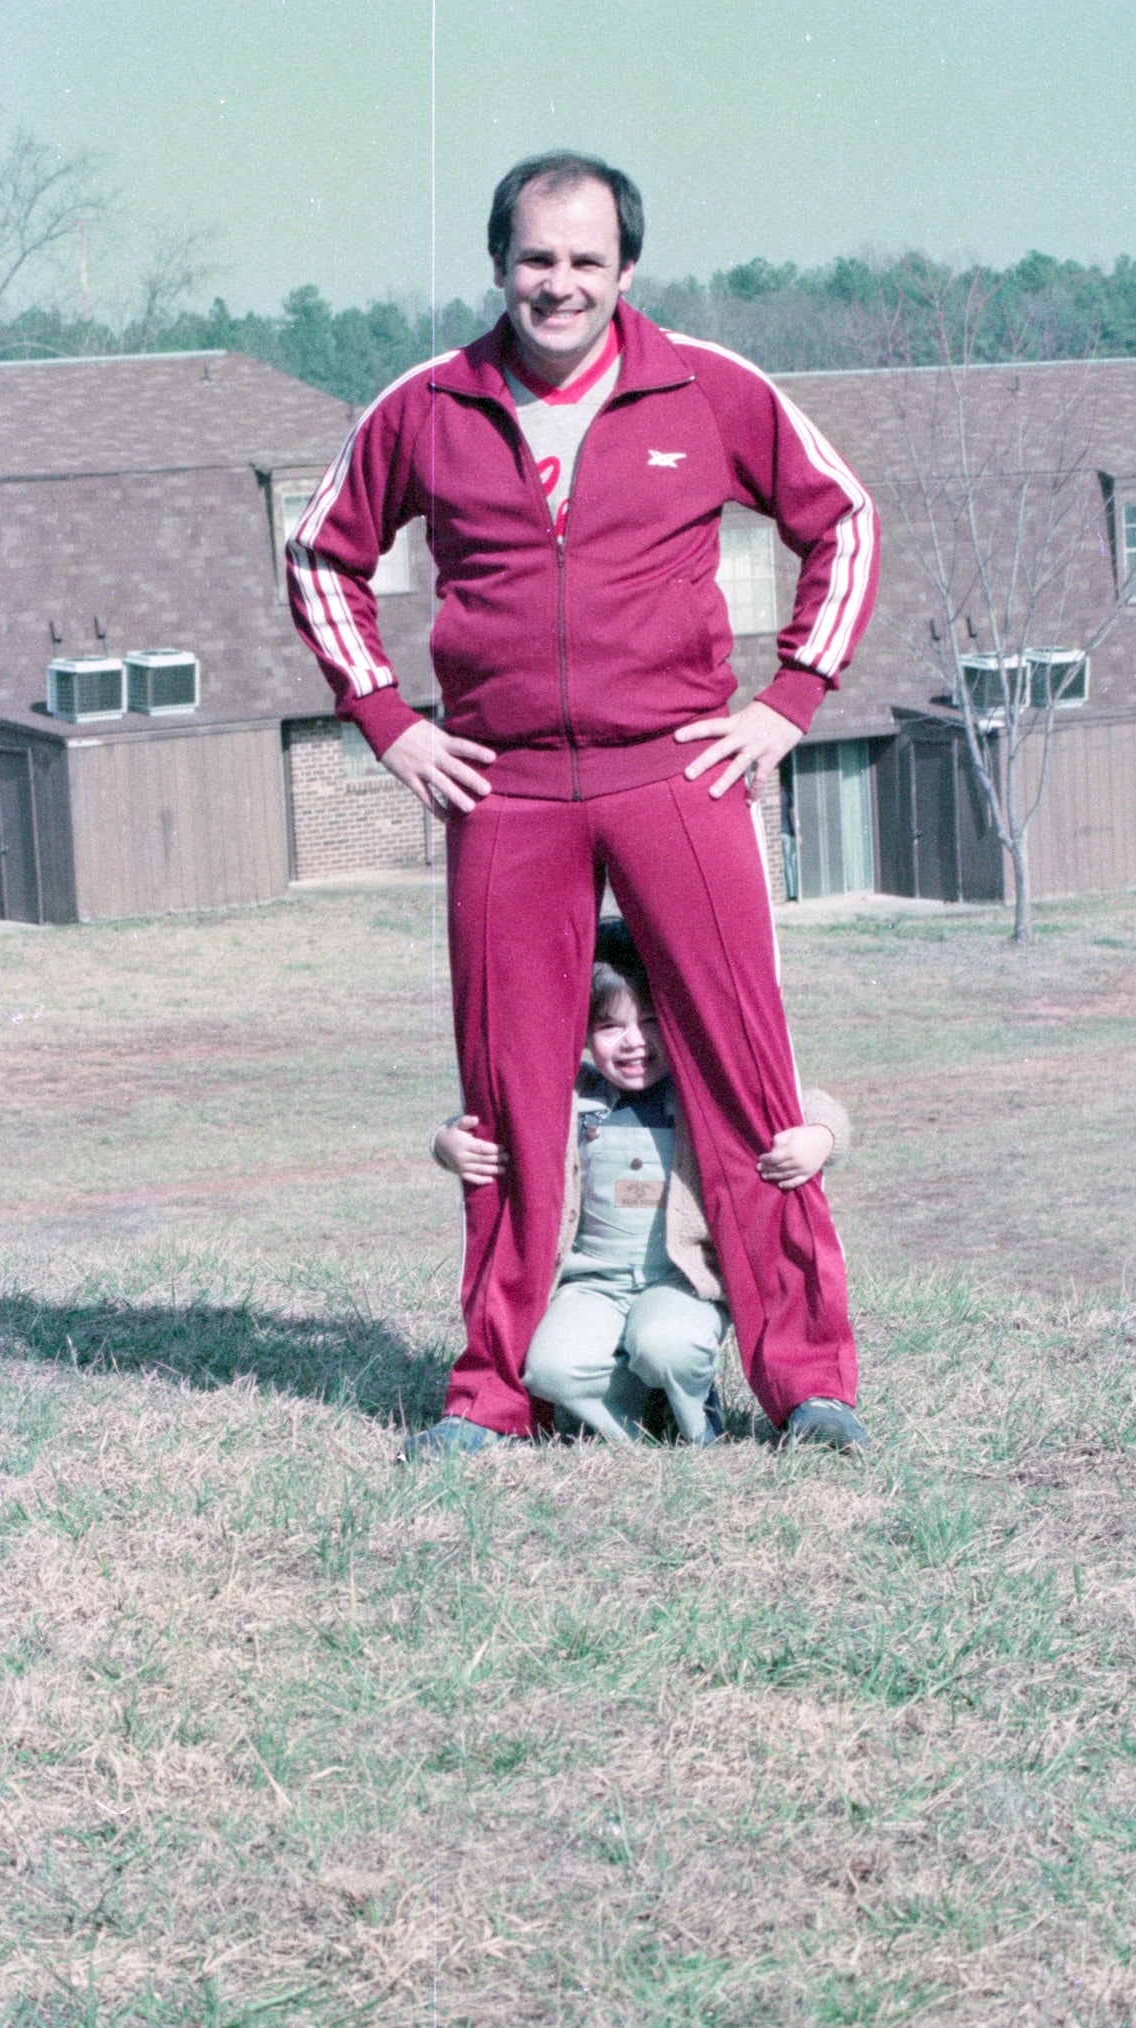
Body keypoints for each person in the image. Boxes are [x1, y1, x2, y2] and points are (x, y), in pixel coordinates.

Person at [286, 150, 879, 1457]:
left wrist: (789, 698)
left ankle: (808, 1384)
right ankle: (490, 1396)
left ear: (626, 269)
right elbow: (320, 555)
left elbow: (843, 520)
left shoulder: (706, 387)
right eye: (536, 259)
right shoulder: (426, 406)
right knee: (507, 1096)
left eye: (584, 261)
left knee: (741, 1071)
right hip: (504, 788)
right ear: (499, 264)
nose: (558, 284)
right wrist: (388, 720)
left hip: (675, 768)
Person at [434, 923, 850, 1447]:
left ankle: (695, 1415)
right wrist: (445, 1142)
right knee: (549, 1370)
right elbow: (488, 1118)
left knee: (667, 1346)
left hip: (679, 1279)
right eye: (611, 1026)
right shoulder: (572, 1095)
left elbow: (808, 1103)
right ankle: (640, 1419)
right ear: (583, 1033)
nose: (635, 1042)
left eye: (651, 1021)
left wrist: (821, 1136)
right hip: (592, 1280)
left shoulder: (701, 1088)